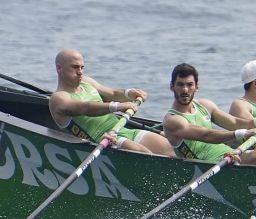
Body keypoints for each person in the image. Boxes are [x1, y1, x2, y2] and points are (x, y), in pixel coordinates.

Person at [162, 63, 256, 168]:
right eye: (180, 85)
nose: (185, 90)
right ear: (171, 87)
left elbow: (233, 123)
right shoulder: (172, 120)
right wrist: (242, 133)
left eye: (189, 85)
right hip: (206, 164)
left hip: (229, 154)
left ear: (197, 87)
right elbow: (206, 135)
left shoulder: (205, 105)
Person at [47, 48, 175, 156]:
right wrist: (117, 106)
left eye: (82, 67)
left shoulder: (87, 82)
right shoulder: (58, 98)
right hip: (103, 140)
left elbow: (113, 94)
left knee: (169, 149)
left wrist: (129, 93)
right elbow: (84, 108)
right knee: (145, 154)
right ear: (59, 68)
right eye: (75, 67)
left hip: (122, 129)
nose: (80, 72)